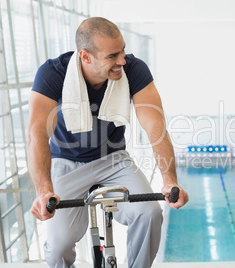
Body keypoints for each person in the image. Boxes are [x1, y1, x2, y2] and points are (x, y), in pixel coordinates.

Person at [28, 17, 189, 268]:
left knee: (149, 214)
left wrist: (169, 180)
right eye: (113, 56)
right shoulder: (53, 73)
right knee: (59, 248)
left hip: (114, 159)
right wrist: (43, 190)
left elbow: (155, 127)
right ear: (86, 56)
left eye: (123, 50)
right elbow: (37, 133)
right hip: (66, 162)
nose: (122, 60)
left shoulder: (134, 69)